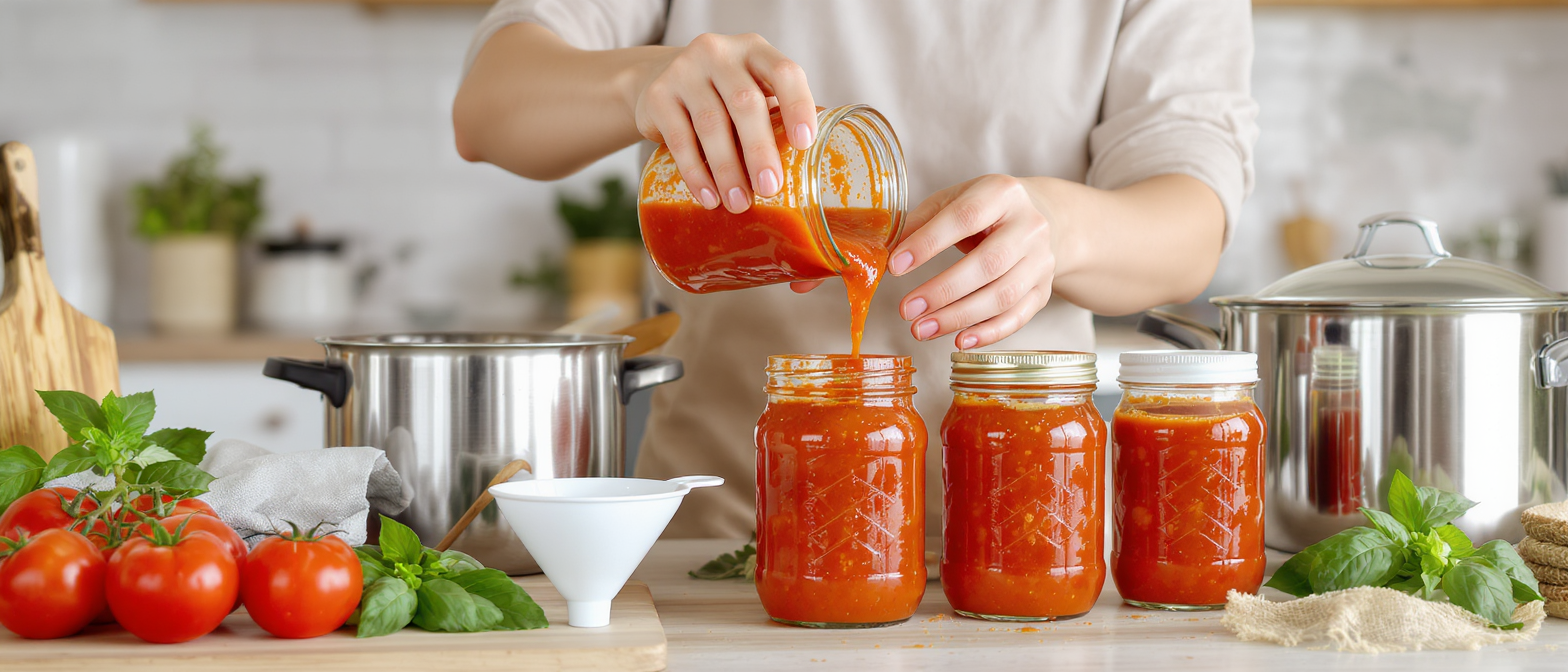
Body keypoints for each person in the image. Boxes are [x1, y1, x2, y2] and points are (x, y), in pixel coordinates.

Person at [453, 0, 1258, 538]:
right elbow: (490, 105)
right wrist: (640, 78)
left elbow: (1190, 223)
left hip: (1027, 529)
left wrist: (1065, 227)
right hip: (725, 539)